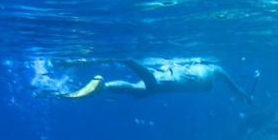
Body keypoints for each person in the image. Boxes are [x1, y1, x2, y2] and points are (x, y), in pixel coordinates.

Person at [61, 58, 254, 103]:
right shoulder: (214, 69)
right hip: (188, 81)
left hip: (183, 80)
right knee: (146, 87)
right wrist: (247, 97)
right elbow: (235, 88)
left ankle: (104, 86)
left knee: (141, 90)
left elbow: (236, 89)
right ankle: (126, 60)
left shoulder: (209, 70)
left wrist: (245, 96)